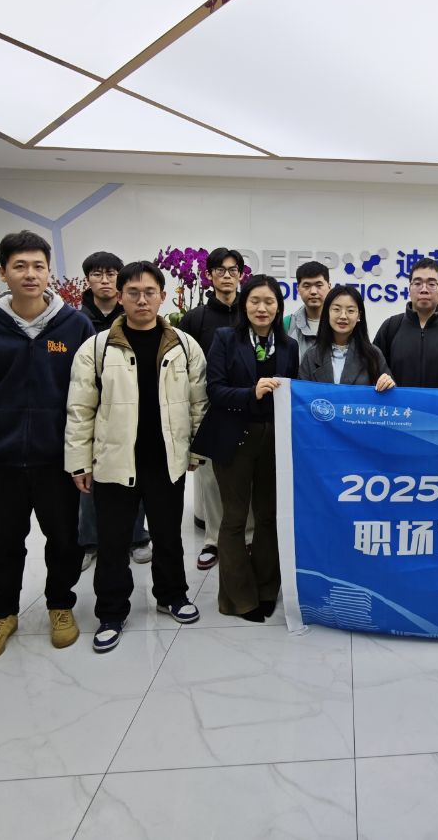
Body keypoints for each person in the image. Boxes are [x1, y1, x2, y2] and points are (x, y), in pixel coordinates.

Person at [0, 231, 93, 664]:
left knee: (64, 539)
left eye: (38, 266)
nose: (30, 274)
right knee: (3, 541)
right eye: (20, 266)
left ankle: (60, 604)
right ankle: (2, 612)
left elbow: (84, 389)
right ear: (3, 272)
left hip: (57, 456)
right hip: (2, 457)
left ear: (49, 271)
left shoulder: (75, 325)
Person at [65, 261, 208, 653]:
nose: (142, 300)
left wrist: (197, 449)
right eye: (133, 292)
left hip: (166, 461)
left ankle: (172, 595)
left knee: (168, 536)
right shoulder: (96, 348)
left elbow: (199, 404)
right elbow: (80, 410)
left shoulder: (184, 345)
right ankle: (111, 612)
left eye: (149, 292)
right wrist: (79, 462)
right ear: (120, 296)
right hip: (113, 463)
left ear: (162, 297)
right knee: (113, 542)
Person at [198, 275, 300, 622]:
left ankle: (267, 589)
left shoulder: (289, 346)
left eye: (269, 301)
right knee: (235, 519)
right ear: (244, 305)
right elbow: (215, 390)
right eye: (255, 301)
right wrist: (250, 393)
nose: (262, 308)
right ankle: (239, 598)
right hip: (234, 437)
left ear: (278, 307)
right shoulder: (226, 338)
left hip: (274, 440)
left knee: (269, 517)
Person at [76, 251, 150, 570]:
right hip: (94, 409)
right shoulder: (76, 321)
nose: (104, 280)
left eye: (111, 274)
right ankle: (89, 540)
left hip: (132, 408)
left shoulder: (135, 316)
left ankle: (137, 537)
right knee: (90, 477)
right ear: (88, 279)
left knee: (136, 474)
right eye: (97, 274)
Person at [179, 247, 246, 570]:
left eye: (233, 270)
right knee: (211, 480)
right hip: (211, 409)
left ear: (241, 275)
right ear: (209, 275)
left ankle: (247, 538)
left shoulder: (252, 312)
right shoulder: (195, 318)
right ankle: (213, 540)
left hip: (247, 406)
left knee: (247, 477)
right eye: (220, 270)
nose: (227, 276)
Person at [373, 257, 438, 387]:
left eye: (431, 284)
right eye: (417, 283)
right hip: (399, 401)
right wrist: (383, 380)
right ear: (409, 289)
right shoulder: (390, 327)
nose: (424, 289)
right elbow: (372, 369)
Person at [299, 285, 396, 389]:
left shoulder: (373, 355)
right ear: (327, 313)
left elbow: (390, 396)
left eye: (350, 311)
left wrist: (388, 384)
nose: (343, 316)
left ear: (359, 316)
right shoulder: (311, 356)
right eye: (336, 309)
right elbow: (300, 394)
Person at [285, 260, 331, 352]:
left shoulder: (341, 322)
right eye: (307, 286)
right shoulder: (287, 324)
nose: (313, 291)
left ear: (329, 286)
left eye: (319, 285)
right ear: (298, 289)